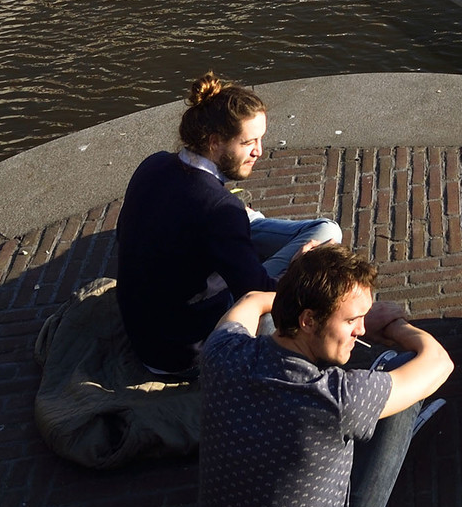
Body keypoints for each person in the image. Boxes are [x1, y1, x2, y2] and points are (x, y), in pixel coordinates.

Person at [194, 244, 453, 507]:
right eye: (353, 320)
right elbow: (439, 363)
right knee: (401, 378)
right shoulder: (336, 398)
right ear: (309, 319)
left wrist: (303, 289)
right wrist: (397, 326)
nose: (362, 330)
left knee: (267, 330)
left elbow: (251, 301)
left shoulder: (220, 353)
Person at [116, 72, 342, 376]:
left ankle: (248, 226)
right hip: (186, 352)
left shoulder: (153, 164)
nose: (259, 151)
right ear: (215, 143)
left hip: (143, 332)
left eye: (261, 139)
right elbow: (258, 294)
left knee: (236, 222)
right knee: (327, 233)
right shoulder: (220, 210)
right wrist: (299, 270)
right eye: (248, 142)